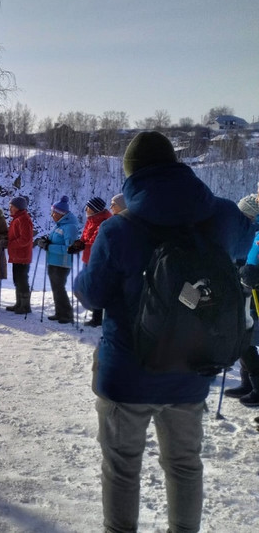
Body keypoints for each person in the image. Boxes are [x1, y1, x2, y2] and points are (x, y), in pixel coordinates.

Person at [74, 131, 256, 533]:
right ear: (176, 165)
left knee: (123, 468)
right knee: (185, 466)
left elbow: (92, 296)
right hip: (192, 368)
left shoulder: (119, 229)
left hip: (127, 373)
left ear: (132, 175)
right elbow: (245, 240)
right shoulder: (220, 216)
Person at [225, 191, 259, 405]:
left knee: (245, 335)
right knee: (242, 335)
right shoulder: (246, 230)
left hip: (253, 287)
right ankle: (248, 381)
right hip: (245, 285)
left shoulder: (253, 230)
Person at [35, 195, 79, 324]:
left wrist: (48, 246)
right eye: (52, 212)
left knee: (59, 288)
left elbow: (69, 248)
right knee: (56, 288)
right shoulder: (59, 225)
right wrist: (46, 241)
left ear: (61, 213)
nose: (52, 215)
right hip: (53, 262)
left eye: (54, 212)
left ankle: (67, 314)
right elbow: (55, 240)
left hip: (62, 263)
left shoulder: (70, 227)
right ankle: (60, 312)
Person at [68, 197, 111, 327]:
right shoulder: (91, 220)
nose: (86, 209)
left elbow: (97, 242)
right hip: (88, 259)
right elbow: (85, 237)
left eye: (88, 207)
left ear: (94, 209)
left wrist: (82, 246)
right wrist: (78, 244)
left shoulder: (104, 222)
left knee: (90, 288)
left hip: (97, 261)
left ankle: (98, 315)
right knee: (81, 287)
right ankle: (98, 312)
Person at [6, 196, 34, 314]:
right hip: (17, 255)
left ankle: (25, 306)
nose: (10, 208)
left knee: (22, 280)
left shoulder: (23, 219)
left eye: (12, 206)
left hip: (22, 256)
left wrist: (10, 244)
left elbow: (25, 239)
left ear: (18, 207)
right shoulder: (17, 218)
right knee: (17, 280)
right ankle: (19, 303)